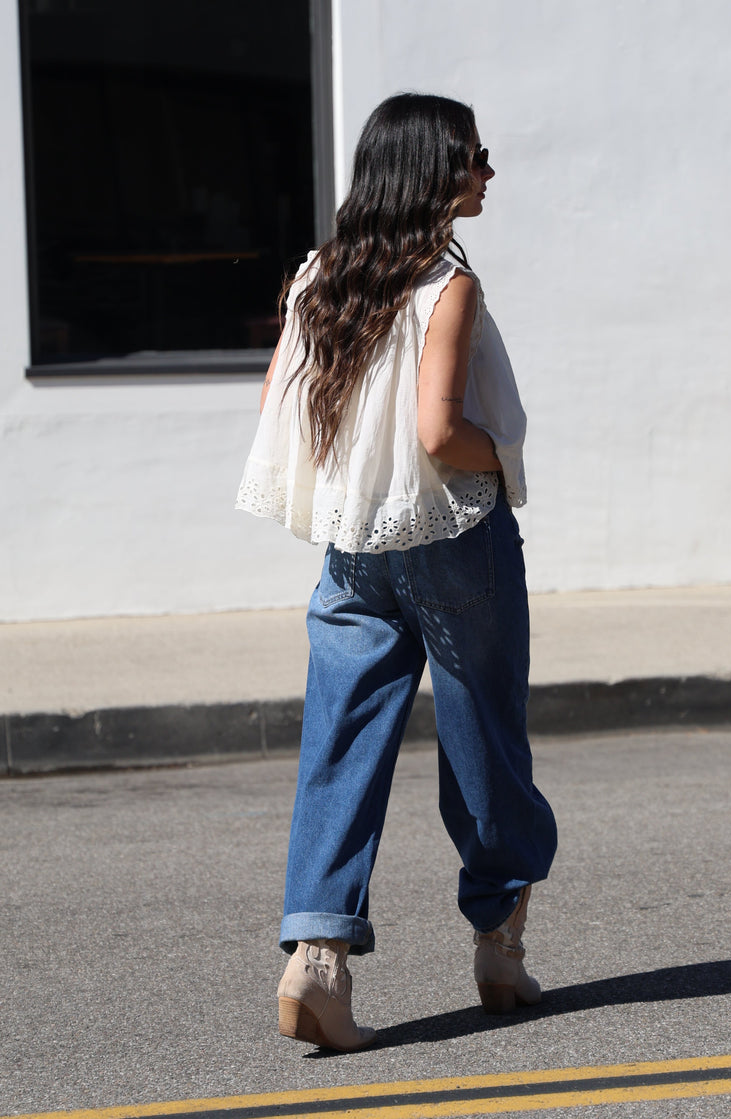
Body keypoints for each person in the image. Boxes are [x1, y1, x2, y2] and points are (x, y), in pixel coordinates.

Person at [236, 93, 557, 1052]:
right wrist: (502, 458)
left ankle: (317, 959)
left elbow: (278, 406)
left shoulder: (321, 278)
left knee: (339, 742)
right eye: (476, 155)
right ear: (433, 171)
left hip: (353, 553)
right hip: (453, 535)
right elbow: (438, 433)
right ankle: (499, 940)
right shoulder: (446, 285)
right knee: (485, 741)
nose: (489, 170)